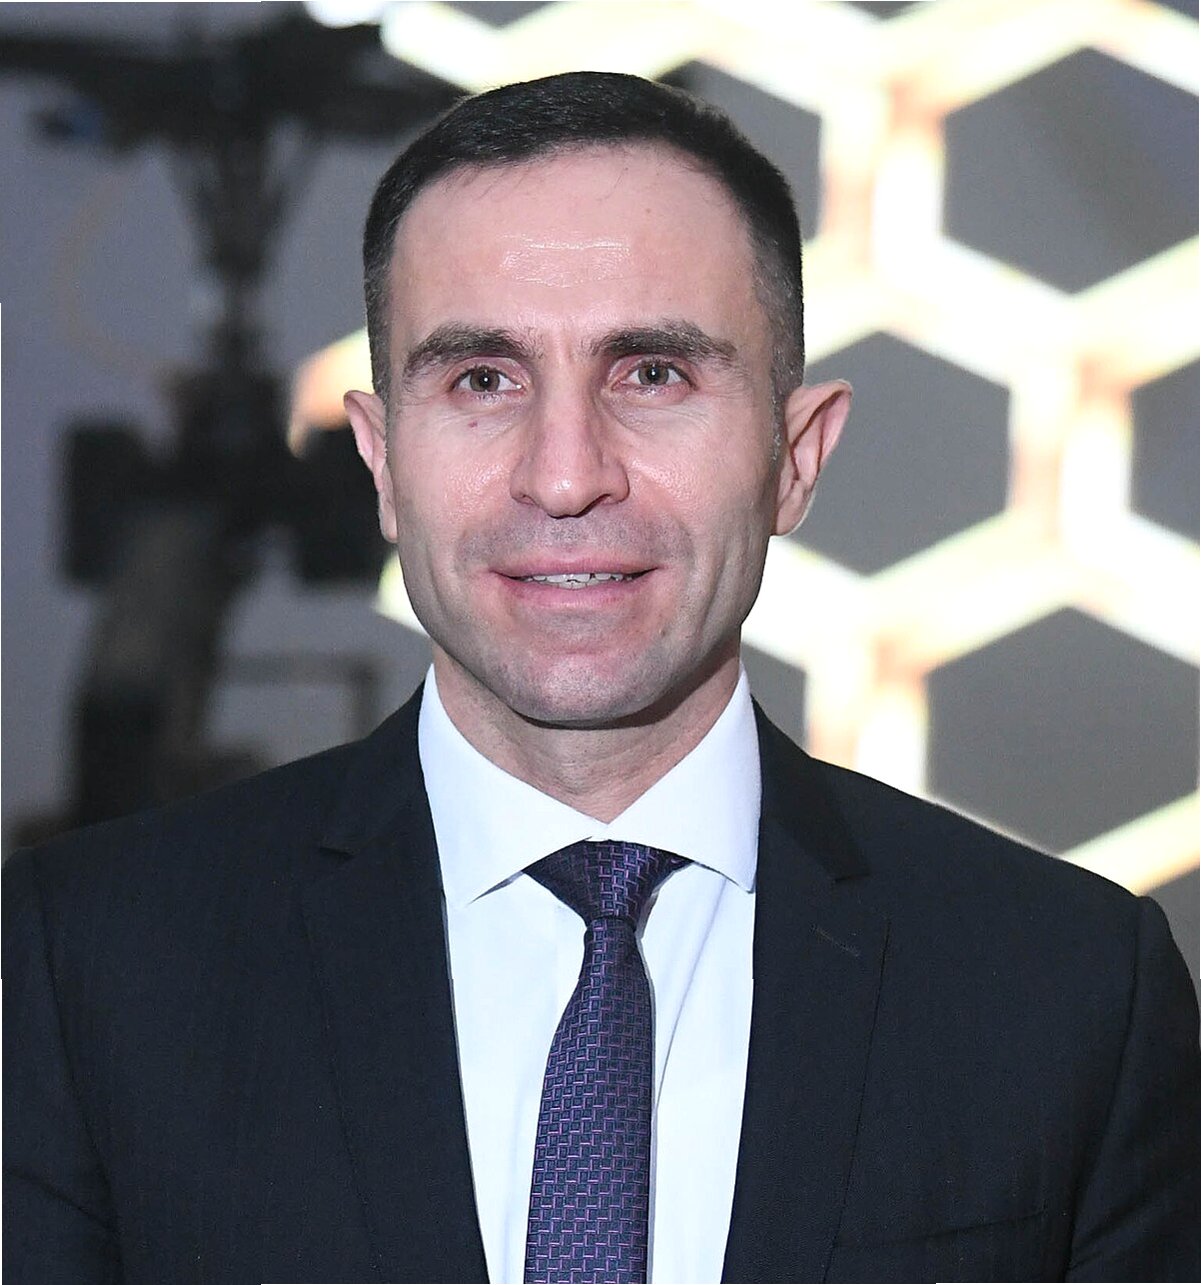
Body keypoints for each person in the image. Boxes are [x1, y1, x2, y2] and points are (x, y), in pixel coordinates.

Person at [4, 71, 1199, 1285]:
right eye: (482, 379)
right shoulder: (90, 964)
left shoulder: (1067, 991)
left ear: (795, 457)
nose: (565, 475)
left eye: (652, 374)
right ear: (381, 459)